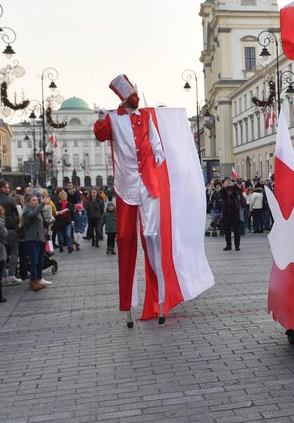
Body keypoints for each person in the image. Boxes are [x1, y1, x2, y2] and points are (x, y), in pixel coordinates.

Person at [94, 74, 214, 325]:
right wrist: (101, 117)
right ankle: (127, 304)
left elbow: (157, 145)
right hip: (126, 185)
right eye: (131, 94)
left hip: (148, 185)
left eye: (136, 93)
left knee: (152, 238)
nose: (136, 97)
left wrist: (156, 158)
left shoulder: (145, 117)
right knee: (126, 240)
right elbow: (101, 134)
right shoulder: (114, 119)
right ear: (123, 97)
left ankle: (159, 298)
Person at [0, 181, 23, 286]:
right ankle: (11, 275)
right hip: (10, 229)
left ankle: (3, 277)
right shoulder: (10, 199)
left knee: (1, 254)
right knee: (14, 252)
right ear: (3, 188)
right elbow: (16, 213)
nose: (9, 189)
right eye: (7, 187)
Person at [21, 192, 48, 291]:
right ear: (28, 202)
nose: (36, 201)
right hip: (31, 239)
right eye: (34, 200)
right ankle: (33, 281)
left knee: (40, 261)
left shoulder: (36, 210)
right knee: (34, 261)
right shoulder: (27, 211)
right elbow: (33, 215)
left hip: (40, 238)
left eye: (37, 200)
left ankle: (39, 279)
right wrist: (42, 204)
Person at [218, 178, 245, 251]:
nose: (228, 183)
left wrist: (235, 185)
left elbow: (240, 191)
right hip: (226, 212)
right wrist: (224, 187)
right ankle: (228, 245)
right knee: (227, 229)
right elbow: (219, 196)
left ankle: (237, 245)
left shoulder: (234, 189)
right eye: (226, 182)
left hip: (234, 212)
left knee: (236, 229)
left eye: (229, 181)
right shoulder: (223, 190)